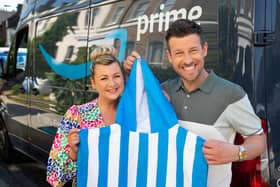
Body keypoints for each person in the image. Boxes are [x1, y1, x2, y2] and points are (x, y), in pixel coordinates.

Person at [123, 19, 266, 186]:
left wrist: (237, 152)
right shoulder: (164, 92)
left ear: (204, 49)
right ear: (169, 56)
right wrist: (134, 75)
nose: (188, 60)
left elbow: (258, 139)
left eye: (193, 50)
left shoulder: (231, 94)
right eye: (179, 53)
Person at [47, 46, 125, 187]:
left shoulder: (134, 114)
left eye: (117, 76)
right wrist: (73, 152)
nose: (112, 84)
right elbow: (55, 176)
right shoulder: (77, 115)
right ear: (93, 83)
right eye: (104, 78)